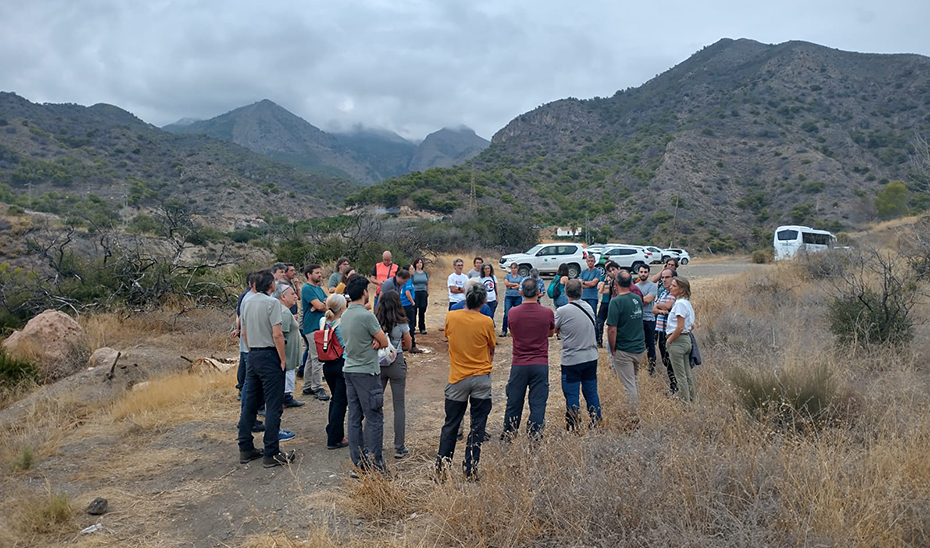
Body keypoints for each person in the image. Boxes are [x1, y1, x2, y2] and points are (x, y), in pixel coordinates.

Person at [237, 269, 295, 468]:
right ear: (270, 285)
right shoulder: (272, 303)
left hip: (252, 354)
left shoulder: (247, 301)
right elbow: (277, 335)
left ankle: (245, 447)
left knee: (250, 403)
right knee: (273, 404)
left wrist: (252, 348)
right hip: (269, 355)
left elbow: (243, 332)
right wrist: (281, 359)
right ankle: (271, 451)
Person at [437, 282, 495, 479]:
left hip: (457, 377)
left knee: (451, 424)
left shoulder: (451, 317)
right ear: (483, 301)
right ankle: (470, 469)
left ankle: (442, 468)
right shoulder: (486, 321)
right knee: (478, 427)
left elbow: (448, 338)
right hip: (480, 377)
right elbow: (491, 348)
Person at [341, 275, 390, 474]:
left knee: (354, 417)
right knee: (374, 417)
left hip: (350, 369)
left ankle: (358, 463)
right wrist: (378, 341)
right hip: (367, 371)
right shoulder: (366, 315)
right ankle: (376, 463)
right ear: (364, 292)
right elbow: (384, 341)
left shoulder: (345, 314)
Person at [503, 277, 554, 439]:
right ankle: (535, 436)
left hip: (519, 363)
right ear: (539, 293)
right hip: (540, 362)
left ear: (521, 292)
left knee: (514, 402)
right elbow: (550, 333)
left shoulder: (513, 313)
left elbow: (513, 332)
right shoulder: (547, 313)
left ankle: (509, 435)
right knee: (538, 404)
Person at [553, 279, 600, 430]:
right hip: (591, 356)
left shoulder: (562, 311)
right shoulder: (589, 307)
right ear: (582, 291)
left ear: (566, 292)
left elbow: (553, 330)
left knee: (571, 393)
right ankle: (596, 420)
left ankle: (573, 424)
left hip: (572, 359)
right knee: (591, 391)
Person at [375, 291, 413, 459]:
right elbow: (408, 344)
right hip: (396, 361)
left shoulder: (375, 321)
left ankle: (374, 443)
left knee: (375, 404)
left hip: (378, 363)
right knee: (399, 405)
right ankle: (399, 446)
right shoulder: (402, 323)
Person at [605, 269, 645, 414]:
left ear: (616, 283)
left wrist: (613, 348)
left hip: (625, 348)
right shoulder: (637, 299)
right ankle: (635, 409)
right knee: (633, 380)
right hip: (638, 347)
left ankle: (632, 415)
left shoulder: (616, 302)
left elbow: (612, 329)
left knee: (629, 385)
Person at [233, 272, 264, 432]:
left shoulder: (249, 298)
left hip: (249, 347)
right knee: (249, 386)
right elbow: (242, 322)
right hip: (251, 348)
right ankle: (247, 419)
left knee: (250, 385)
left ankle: (248, 418)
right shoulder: (249, 298)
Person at [320, 293, 349, 450]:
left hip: (327, 363)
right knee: (340, 401)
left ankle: (332, 428)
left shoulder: (323, 321)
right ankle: (335, 437)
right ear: (342, 307)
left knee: (335, 399)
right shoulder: (342, 322)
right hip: (341, 362)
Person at [300, 265, 331, 401]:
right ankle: (317, 387)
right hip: (311, 327)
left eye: (320, 272)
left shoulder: (318, 289)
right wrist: (321, 306)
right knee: (318, 357)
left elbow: (327, 302)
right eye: (317, 273)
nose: (320, 274)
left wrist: (323, 305)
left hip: (319, 326)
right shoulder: (307, 289)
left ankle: (307, 386)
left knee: (311, 357)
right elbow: (321, 306)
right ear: (308, 274)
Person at [275, 281, 305, 412]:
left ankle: (286, 397)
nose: (295, 296)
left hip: (288, 355)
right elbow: (281, 334)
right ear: (283, 296)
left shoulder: (284, 311)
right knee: (286, 375)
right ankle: (285, 398)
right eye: (292, 294)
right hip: (286, 355)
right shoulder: (284, 313)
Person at [666, 277, 696, 402]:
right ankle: (692, 400)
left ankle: (685, 404)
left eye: (674, 286)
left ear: (681, 289)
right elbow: (691, 326)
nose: (670, 287)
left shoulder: (679, 304)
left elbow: (680, 326)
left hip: (677, 342)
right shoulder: (687, 303)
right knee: (687, 374)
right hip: (686, 340)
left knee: (680, 376)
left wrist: (669, 340)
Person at [652, 268, 679, 394]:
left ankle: (676, 387)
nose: (664, 280)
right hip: (661, 330)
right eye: (662, 277)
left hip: (671, 333)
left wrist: (659, 306)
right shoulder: (663, 293)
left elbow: (668, 306)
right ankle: (673, 385)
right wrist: (659, 308)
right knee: (665, 359)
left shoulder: (675, 294)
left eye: (667, 277)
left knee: (672, 360)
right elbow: (653, 309)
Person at [381, 268, 419, 352]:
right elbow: (381, 298)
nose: (405, 283)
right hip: (386, 310)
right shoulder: (388, 284)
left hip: (394, 309)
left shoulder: (399, 284)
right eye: (404, 281)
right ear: (400, 278)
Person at [635, 265, 659, 376]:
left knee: (650, 345)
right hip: (637, 319)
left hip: (649, 319)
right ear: (638, 272)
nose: (643, 274)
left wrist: (637, 299)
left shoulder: (652, 286)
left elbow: (647, 300)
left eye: (645, 272)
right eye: (641, 271)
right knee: (636, 344)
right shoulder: (635, 286)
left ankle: (652, 368)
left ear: (648, 273)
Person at [595, 261, 621, 347]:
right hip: (605, 301)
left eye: (612, 269)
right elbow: (600, 289)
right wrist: (606, 283)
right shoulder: (604, 277)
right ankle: (599, 340)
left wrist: (609, 284)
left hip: (614, 302)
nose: (611, 272)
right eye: (608, 270)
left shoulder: (619, 279)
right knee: (599, 321)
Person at [500, 262, 524, 337]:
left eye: (515, 268)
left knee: (518, 315)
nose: (513, 269)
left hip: (518, 297)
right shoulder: (507, 276)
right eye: (512, 268)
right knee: (507, 314)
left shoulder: (520, 277)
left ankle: (517, 330)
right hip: (509, 297)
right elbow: (507, 284)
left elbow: (521, 285)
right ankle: (504, 330)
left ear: (517, 269)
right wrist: (516, 285)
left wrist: (512, 286)